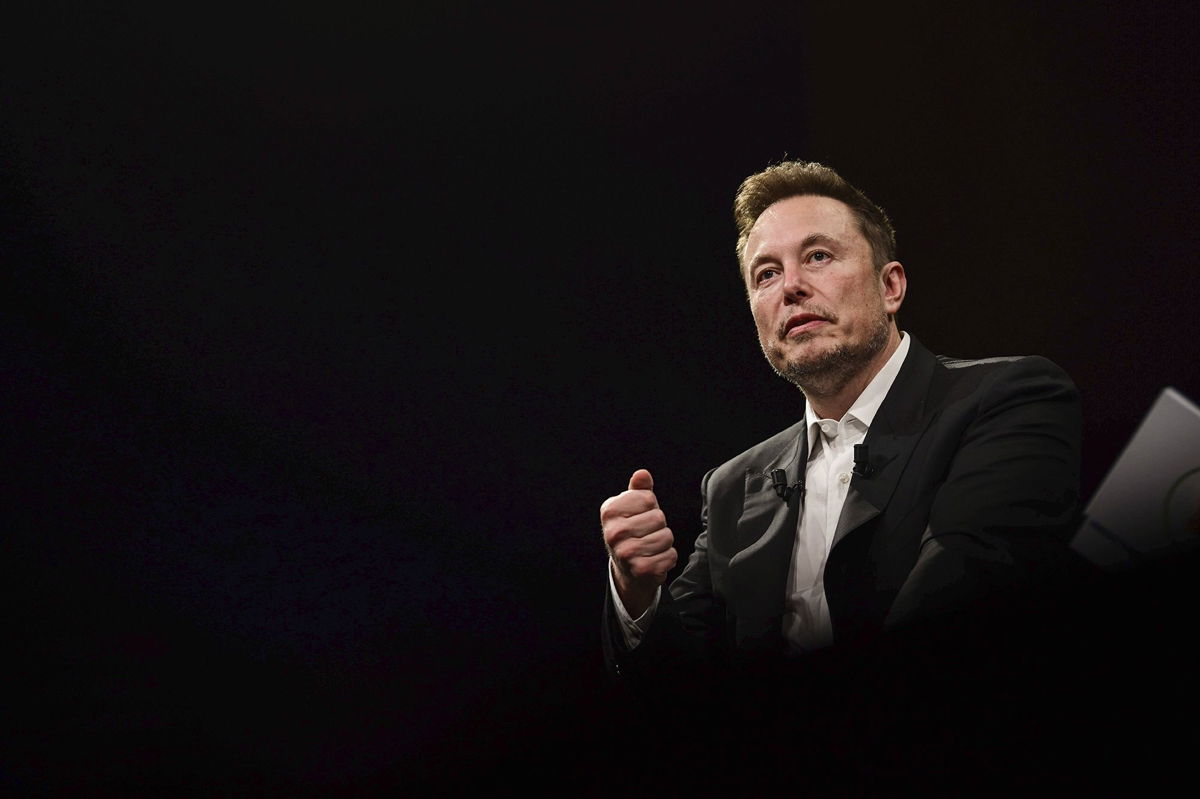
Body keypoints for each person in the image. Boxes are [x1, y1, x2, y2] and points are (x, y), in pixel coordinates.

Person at [598, 160, 1087, 724]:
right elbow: (675, 696)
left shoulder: (1009, 398)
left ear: (890, 286)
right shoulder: (732, 487)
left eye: (818, 256)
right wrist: (638, 595)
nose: (792, 287)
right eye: (765, 274)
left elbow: (965, 596)